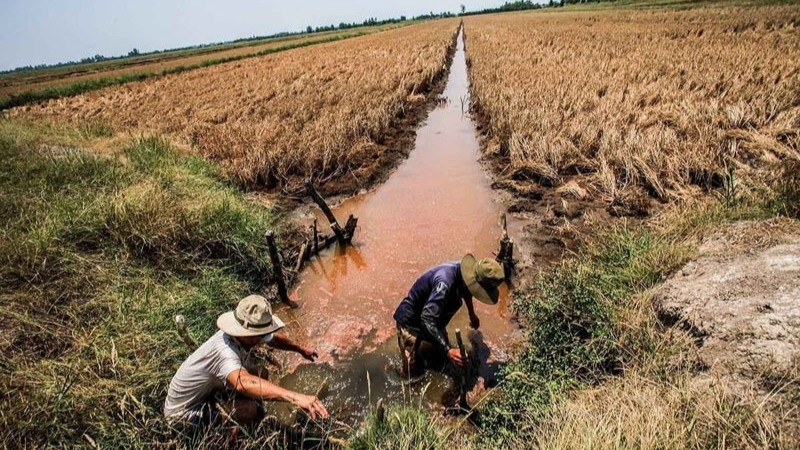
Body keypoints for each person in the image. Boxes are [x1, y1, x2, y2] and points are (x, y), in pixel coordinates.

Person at [164, 294, 329, 427]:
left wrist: (300, 349)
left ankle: (249, 419)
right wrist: (295, 397)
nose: (262, 339)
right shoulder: (225, 351)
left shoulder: (245, 335)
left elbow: (272, 339)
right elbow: (242, 382)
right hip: (184, 414)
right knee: (249, 410)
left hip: (207, 393)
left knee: (261, 373)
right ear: (244, 333)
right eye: (258, 336)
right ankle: (239, 431)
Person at [393, 253, 505, 378]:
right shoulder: (444, 283)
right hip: (411, 322)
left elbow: (467, 291)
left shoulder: (466, 275)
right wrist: (448, 350)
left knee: (441, 358)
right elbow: (427, 319)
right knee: (411, 371)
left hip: (434, 318)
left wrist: (471, 313)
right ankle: (402, 374)